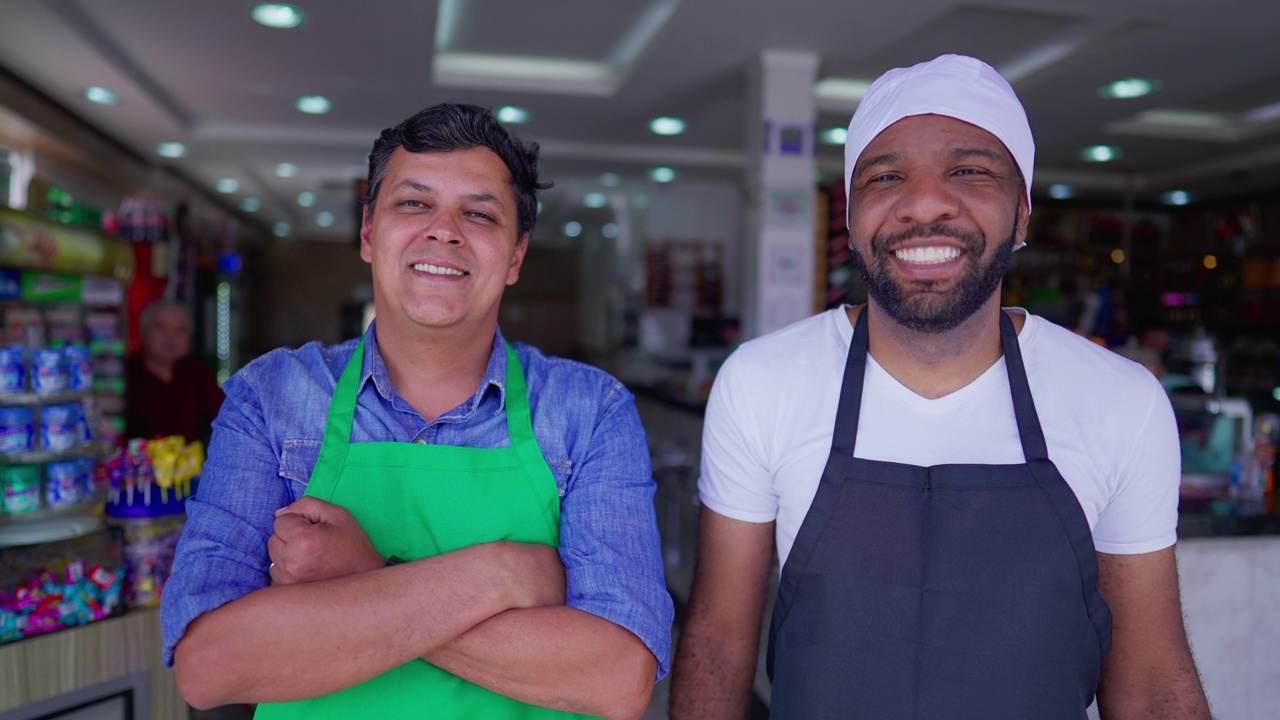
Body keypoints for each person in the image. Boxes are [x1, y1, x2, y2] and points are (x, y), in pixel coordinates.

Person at [670, 54, 1211, 719]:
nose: (924, 202)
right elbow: (719, 643)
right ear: (851, 216)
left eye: (971, 171)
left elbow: (1154, 681)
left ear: (1022, 213)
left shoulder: (1120, 402)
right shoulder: (761, 383)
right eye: (885, 176)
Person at [161, 103, 673, 720]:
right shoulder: (270, 396)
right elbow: (209, 664)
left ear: (515, 257)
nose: (444, 229)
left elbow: (617, 678)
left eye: (480, 213)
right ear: (369, 233)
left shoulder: (589, 411)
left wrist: (365, 573)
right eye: (413, 203)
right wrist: (504, 577)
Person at [125, 299, 225, 444]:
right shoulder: (126, 373)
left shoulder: (195, 372)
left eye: (180, 330)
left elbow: (225, 414)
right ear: (143, 332)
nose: (170, 338)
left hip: (187, 463)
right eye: (160, 328)